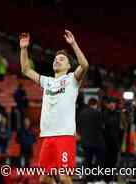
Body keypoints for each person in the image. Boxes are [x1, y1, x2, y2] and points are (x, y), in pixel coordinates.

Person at [19, 30, 89, 184]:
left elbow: (84, 64)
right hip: (46, 136)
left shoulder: (72, 80)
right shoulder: (47, 81)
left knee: (64, 178)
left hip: (64, 135)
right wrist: (24, 49)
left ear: (69, 65)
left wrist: (73, 44)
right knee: (44, 178)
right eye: (56, 59)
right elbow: (25, 70)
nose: (57, 61)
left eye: (62, 59)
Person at [77, 98, 105, 183]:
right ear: (95, 104)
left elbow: (79, 126)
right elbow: (101, 127)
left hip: (85, 142)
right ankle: (97, 178)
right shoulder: (97, 113)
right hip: (96, 142)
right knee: (98, 161)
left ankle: (87, 178)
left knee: (87, 161)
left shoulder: (82, 113)